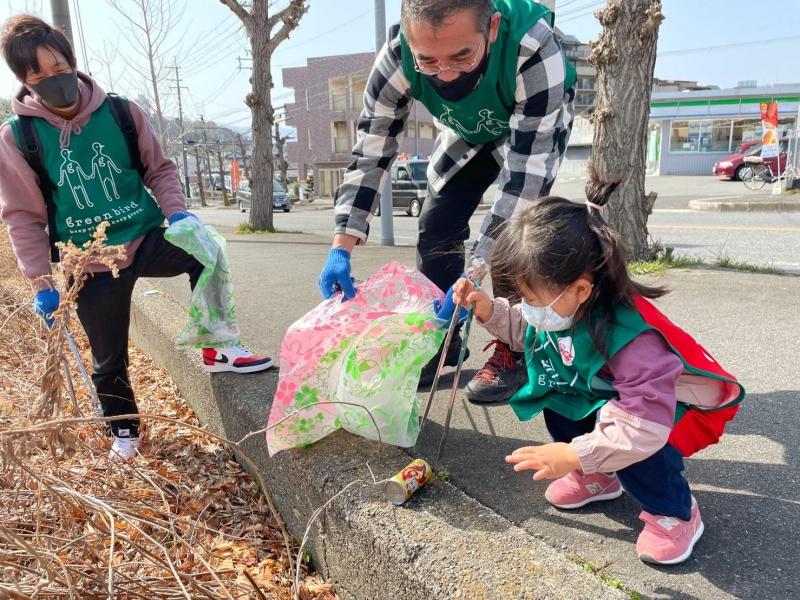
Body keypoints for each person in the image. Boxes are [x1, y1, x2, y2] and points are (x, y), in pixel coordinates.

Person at [0, 15, 273, 461]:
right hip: (88, 260)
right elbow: (22, 217)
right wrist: (41, 284)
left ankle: (218, 346)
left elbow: (159, 169)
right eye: (39, 75)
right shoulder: (18, 138)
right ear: (24, 81)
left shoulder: (122, 111)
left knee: (206, 253)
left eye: (58, 67)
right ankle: (124, 432)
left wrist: (179, 214)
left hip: (143, 235)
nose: (53, 81)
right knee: (109, 361)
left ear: (72, 61)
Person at [449, 172, 745, 565]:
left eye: (533, 297)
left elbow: (643, 426)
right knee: (557, 397)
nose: (529, 308)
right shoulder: (561, 306)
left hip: (645, 419)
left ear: (582, 289)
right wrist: (488, 309)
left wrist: (573, 455)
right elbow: (528, 330)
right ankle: (599, 476)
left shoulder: (632, 340)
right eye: (523, 297)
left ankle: (675, 512)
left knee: (643, 455)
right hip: (596, 396)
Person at [317, 0, 576, 399]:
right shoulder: (399, 55)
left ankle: (517, 349)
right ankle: (441, 336)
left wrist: (474, 272)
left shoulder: (534, 47)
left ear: (490, 28)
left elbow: (524, 181)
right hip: (468, 129)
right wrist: (341, 246)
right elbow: (372, 149)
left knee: (515, 242)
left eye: (462, 55)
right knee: (436, 223)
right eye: (429, 62)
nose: (447, 74)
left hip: (530, 127)